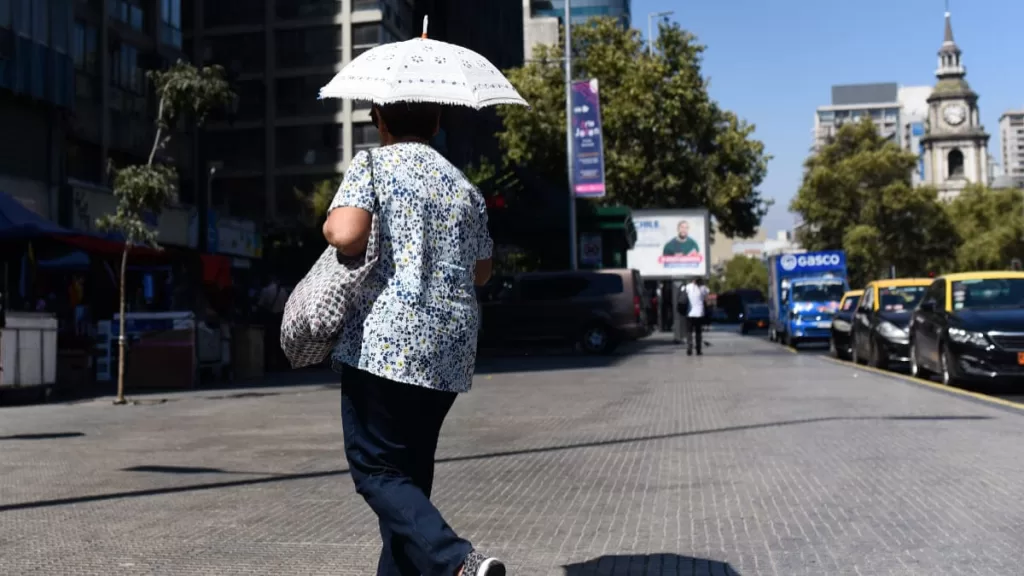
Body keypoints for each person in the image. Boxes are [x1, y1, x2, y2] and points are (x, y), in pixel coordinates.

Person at [322, 101, 505, 576]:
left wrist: (331, 222)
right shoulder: (464, 186)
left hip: (386, 346)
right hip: (449, 349)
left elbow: (345, 233)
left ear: (381, 121)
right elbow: (482, 272)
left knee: (376, 470)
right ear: (437, 122)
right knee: (408, 487)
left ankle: (458, 562)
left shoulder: (372, 165)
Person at [683, 277, 709, 356]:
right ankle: (698, 349)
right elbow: (707, 292)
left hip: (690, 313)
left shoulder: (688, 287)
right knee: (698, 332)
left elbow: (683, 293)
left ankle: (689, 348)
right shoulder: (703, 288)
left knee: (689, 331)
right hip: (699, 313)